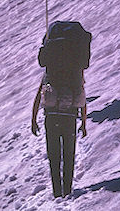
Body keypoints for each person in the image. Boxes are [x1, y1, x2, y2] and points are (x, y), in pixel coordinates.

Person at [30, 21, 91, 198]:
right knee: (69, 154)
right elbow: (82, 95)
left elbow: (38, 95)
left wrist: (33, 119)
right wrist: (84, 123)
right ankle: (68, 190)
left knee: (54, 154)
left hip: (51, 116)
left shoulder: (50, 71)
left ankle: (57, 193)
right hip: (70, 116)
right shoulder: (76, 71)